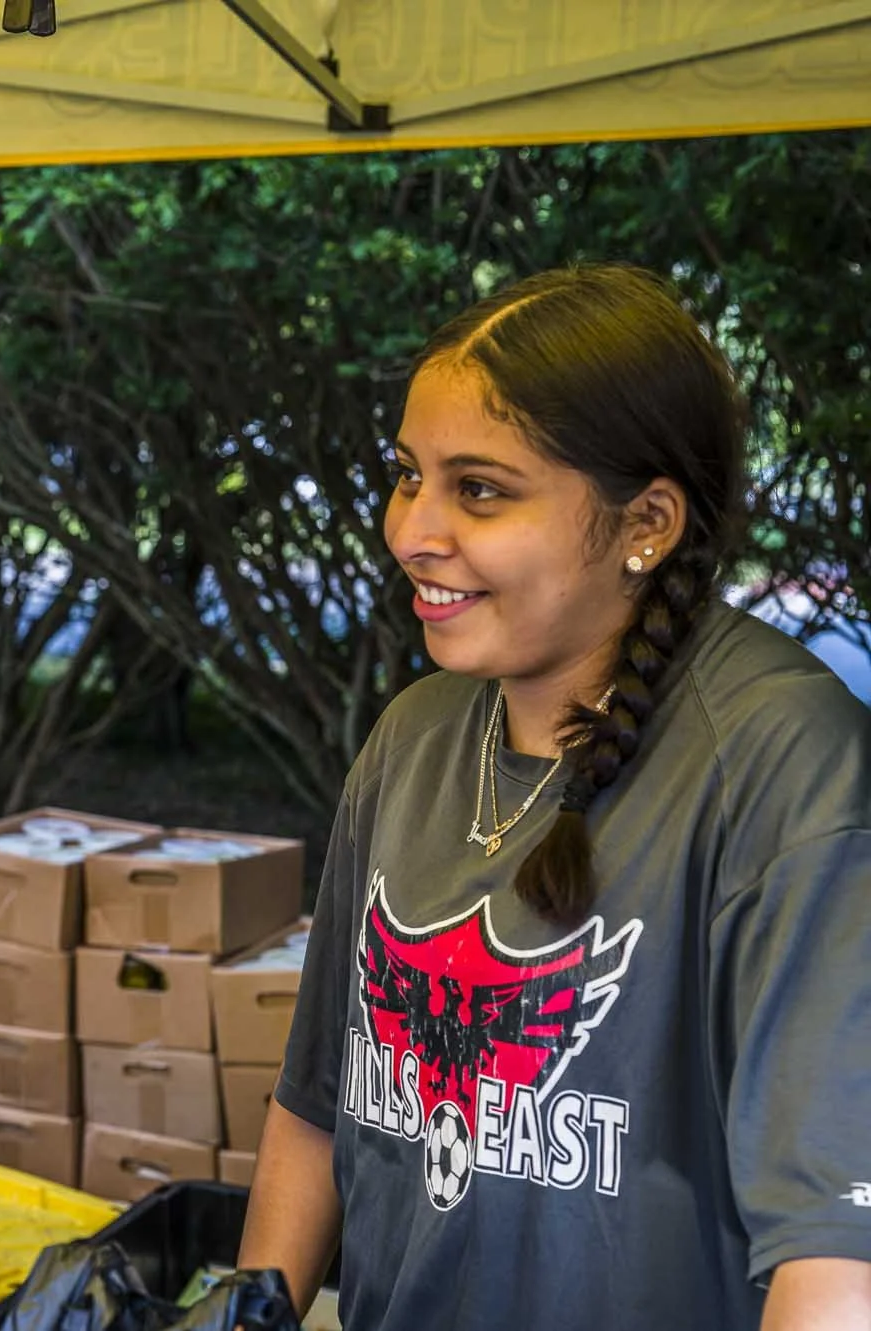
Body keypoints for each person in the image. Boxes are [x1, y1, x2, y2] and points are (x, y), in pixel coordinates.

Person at [236, 263, 871, 1328]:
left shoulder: (780, 760)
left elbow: (832, 1261)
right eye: (406, 475)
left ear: (645, 522)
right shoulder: (415, 736)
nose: (410, 531)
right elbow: (312, 1110)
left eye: (478, 488)